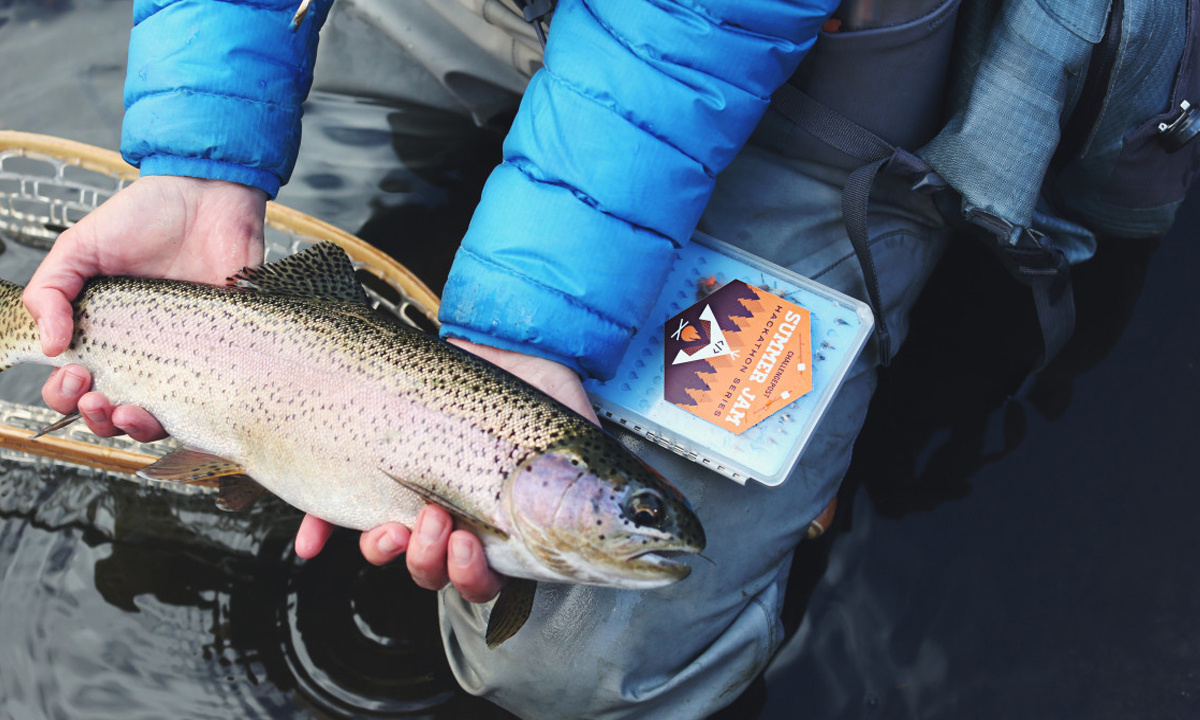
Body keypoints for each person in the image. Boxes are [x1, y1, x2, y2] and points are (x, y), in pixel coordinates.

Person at [21, 0, 954, 717]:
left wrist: (527, 332)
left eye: (631, 508)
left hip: (783, 63)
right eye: (632, 508)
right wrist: (201, 156)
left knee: (572, 663)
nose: (640, 520)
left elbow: (685, 30)